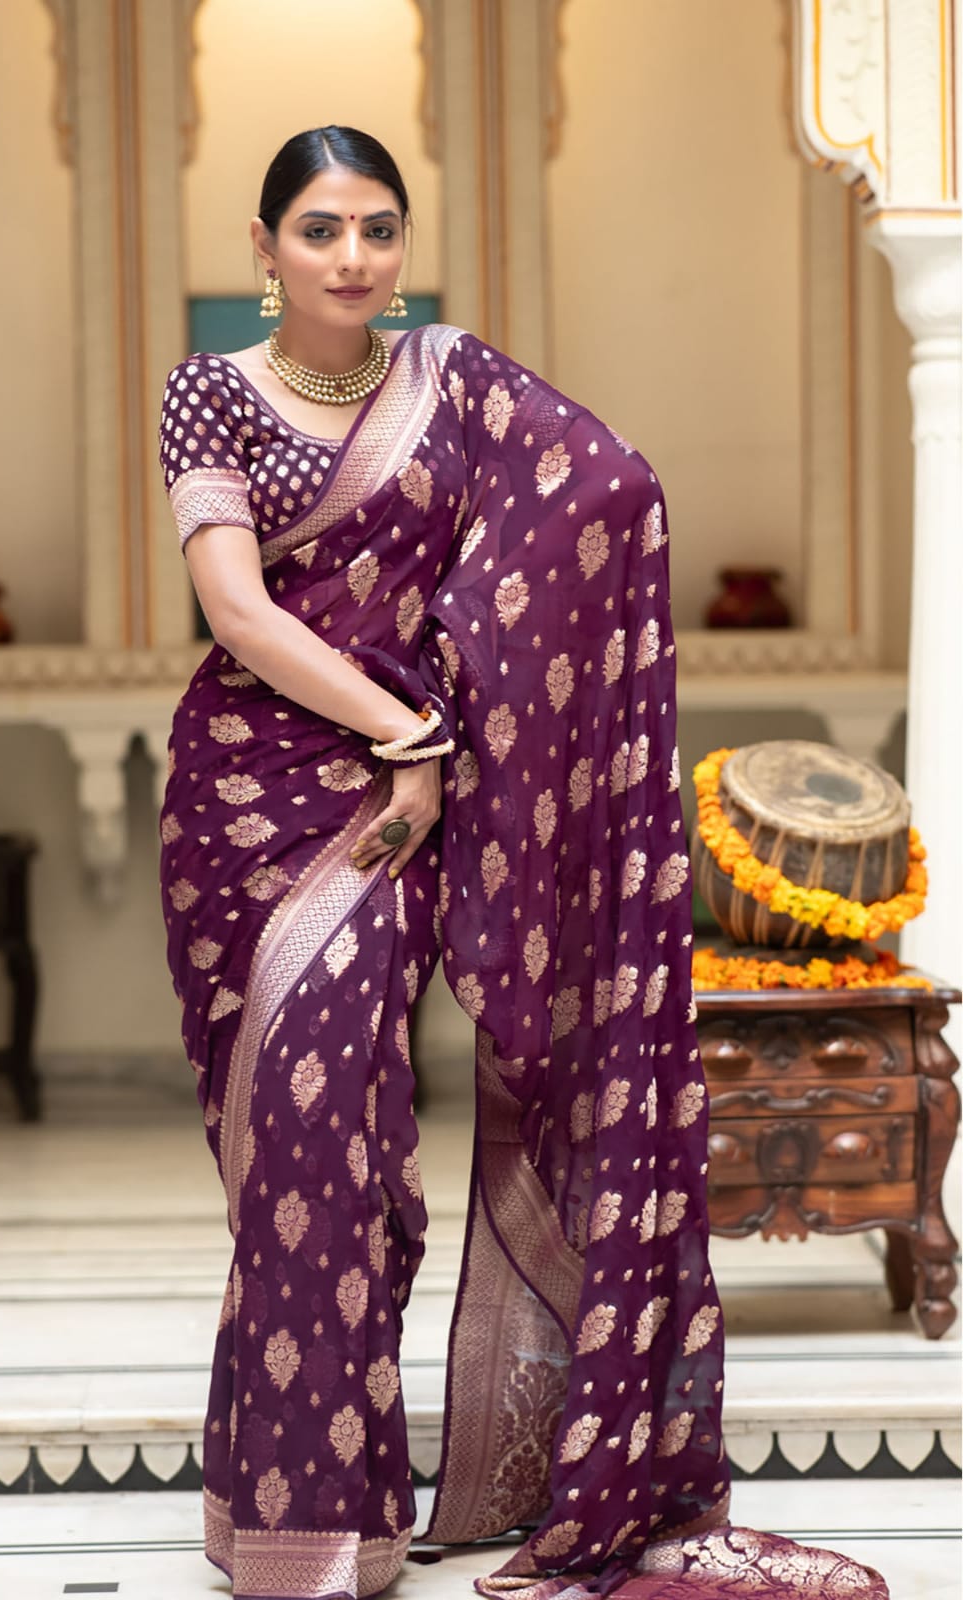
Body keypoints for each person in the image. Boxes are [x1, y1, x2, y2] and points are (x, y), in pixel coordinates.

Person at [156, 126, 886, 1600]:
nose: (351, 258)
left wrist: (477, 673)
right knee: (294, 1157)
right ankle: (294, 1524)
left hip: (403, 813)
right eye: (318, 230)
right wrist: (411, 731)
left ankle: (373, 1506)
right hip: (258, 804)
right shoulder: (210, 398)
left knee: (354, 1154)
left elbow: (610, 493)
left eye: (377, 230)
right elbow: (235, 611)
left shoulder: (457, 385)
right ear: (263, 249)